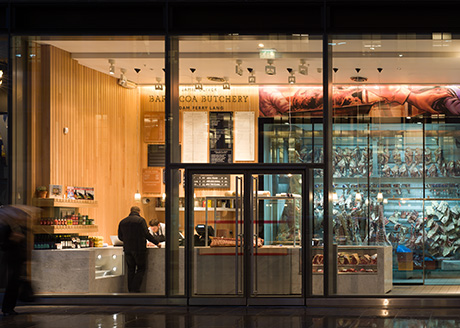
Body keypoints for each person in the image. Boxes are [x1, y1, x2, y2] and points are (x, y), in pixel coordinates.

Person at [0, 205, 35, 316]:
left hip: (19, 259)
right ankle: (7, 308)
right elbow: (3, 245)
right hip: (12, 259)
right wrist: (13, 240)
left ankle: (10, 307)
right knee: (12, 283)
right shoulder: (7, 227)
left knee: (15, 283)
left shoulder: (19, 227)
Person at [118, 206, 161, 293]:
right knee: (141, 268)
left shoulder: (122, 222)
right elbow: (146, 234)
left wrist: (127, 241)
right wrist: (157, 243)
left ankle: (130, 291)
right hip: (139, 249)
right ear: (139, 212)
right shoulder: (140, 221)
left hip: (127, 249)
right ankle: (135, 289)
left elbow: (120, 236)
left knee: (130, 269)